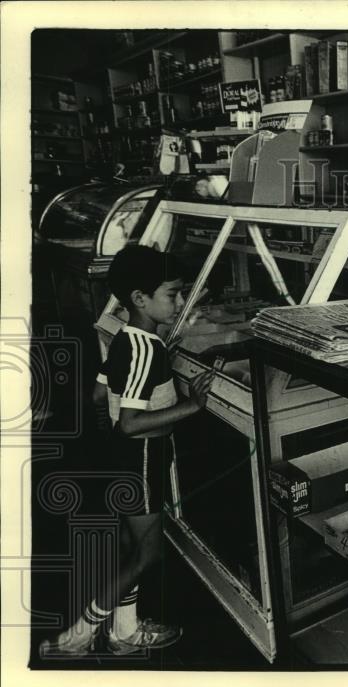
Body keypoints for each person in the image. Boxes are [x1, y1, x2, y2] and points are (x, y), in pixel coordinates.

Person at [39, 246, 215, 657]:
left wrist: (145, 388)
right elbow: (130, 423)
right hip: (143, 458)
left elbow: (100, 394)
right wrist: (190, 405)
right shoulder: (147, 348)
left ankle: (124, 630)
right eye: (171, 295)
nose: (177, 303)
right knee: (147, 555)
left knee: (129, 549)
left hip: (123, 459)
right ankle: (79, 636)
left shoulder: (124, 338)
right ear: (139, 298)